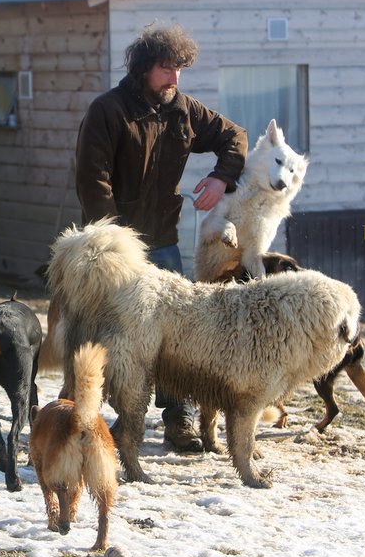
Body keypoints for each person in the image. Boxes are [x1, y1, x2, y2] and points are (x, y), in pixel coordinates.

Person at [73, 22, 247, 452]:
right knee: (114, 337)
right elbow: (93, 182)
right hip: (114, 251)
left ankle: (180, 420)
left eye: (179, 69)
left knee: (176, 338)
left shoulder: (183, 111)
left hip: (165, 243)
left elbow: (235, 137)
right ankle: (100, 419)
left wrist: (222, 178)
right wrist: (117, 244)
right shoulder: (108, 111)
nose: (174, 77)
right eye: (166, 68)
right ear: (143, 68)